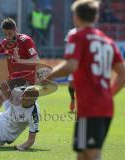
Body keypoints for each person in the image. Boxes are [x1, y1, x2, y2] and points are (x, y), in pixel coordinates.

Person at [47, 0, 125, 159]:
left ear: (76, 16)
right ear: (95, 17)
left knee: (92, 155)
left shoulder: (77, 35)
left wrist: (48, 76)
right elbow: (122, 73)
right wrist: (109, 95)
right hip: (105, 106)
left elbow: (71, 65)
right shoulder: (108, 41)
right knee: (83, 155)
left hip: (90, 107)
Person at [64, 28, 77, 113]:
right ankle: (73, 99)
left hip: (86, 62)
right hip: (75, 60)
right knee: (71, 83)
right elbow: (67, 43)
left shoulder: (93, 33)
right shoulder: (72, 32)